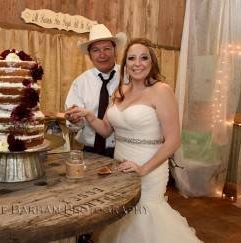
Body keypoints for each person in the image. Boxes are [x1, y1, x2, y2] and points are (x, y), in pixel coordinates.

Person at [65, 38, 202, 243]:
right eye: (131, 58)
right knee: (123, 220)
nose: (137, 63)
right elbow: (105, 131)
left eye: (143, 58)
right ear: (126, 64)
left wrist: (144, 169)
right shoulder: (120, 91)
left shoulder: (161, 91)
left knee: (145, 219)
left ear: (151, 62)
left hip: (149, 168)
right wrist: (88, 115)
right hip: (121, 167)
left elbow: (173, 141)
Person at [65, 24, 126, 158]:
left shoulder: (128, 77)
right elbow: (72, 125)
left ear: (115, 51)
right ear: (90, 55)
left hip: (123, 150)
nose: (102, 54)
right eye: (96, 50)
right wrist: (75, 120)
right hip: (89, 152)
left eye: (107, 49)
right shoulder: (80, 83)